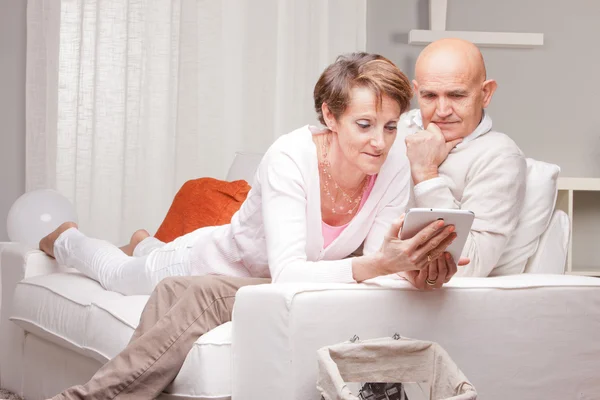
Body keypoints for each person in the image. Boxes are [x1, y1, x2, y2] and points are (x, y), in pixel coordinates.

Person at [46, 53, 468, 399]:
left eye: (390, 126)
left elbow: (374, 262)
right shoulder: (290, 155)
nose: (380, 141)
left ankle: (143, 242)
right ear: (329, 116)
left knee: (158, 273)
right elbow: (291, 271)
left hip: (268, 287)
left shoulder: (392, 164)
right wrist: (382, 264)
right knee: (118, 274)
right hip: (214, 260)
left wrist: (408, 266)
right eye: (364, 124)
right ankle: (66, 238)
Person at [399, 38, 527, 282]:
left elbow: (469, 265)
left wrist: (427, 174)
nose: (443, 110)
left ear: (486, 93)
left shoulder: (500, 156)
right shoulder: (390, 131)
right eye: (429, 96)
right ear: (416, 92)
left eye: (456, 95)